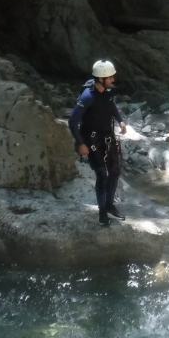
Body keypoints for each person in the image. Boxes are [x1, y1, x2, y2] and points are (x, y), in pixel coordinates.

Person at [68, 59, 127, 226]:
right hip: (92, 140)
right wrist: (81, 143)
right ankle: (102, 212)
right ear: (101, 78)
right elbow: (72, 121)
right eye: (110, 77)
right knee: (102, 174)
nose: (113, 80)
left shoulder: (108, 91)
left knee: (114, 171)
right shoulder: (87, 97)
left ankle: (110, 206)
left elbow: (111, 105)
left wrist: (120, 121)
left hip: (108, 136)